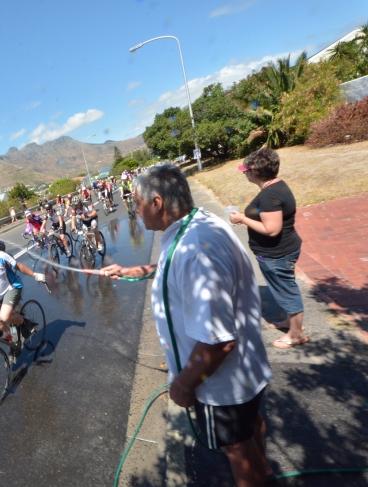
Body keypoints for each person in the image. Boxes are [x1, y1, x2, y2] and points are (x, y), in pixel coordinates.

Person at [101, 165, 273, 487]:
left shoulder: (194, 252)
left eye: (137, 203)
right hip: (246, 371)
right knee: (250, 428)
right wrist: (130, 270)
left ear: (156, 203)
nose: (134, 210)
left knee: (237, 448)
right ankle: (267, 473)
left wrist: (183, 384)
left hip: (222, 381)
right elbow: (171, 268)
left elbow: (218, 342)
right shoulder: (197, 225)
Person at [230, 147, 309, 349]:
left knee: (287, 290)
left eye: (246, 170)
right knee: (284, 288)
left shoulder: (269, 196)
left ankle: (296, 334)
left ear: (256, 172)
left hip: (277, 254)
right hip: (283, 250)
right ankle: (291, 323)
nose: (244, 173)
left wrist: (243, 219)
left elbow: (271, 230)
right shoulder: (278, 186)